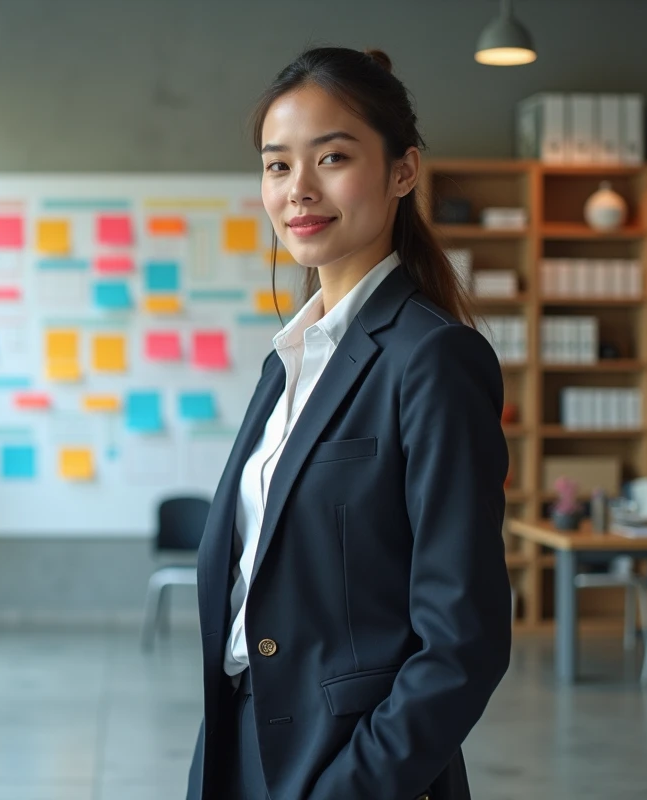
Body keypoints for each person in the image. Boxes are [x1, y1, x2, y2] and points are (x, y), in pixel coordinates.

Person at [185, 46, 512, 800]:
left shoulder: (432, 359)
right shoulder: (288, 362)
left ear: (403, 171)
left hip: (354, 770)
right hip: (241, 749)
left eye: (332, 157)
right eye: (277, 165)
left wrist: (349, 791)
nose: (299, 189)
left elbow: (463, 641)